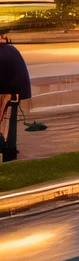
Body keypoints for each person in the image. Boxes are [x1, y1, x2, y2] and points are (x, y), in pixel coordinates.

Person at [0, 25, 30, 163]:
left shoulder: (5, 52)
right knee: (9, 127)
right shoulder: (11, 50)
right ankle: (9, 149)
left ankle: (6, 151)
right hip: (14, 94)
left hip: (7, 94)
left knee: (5, 127)